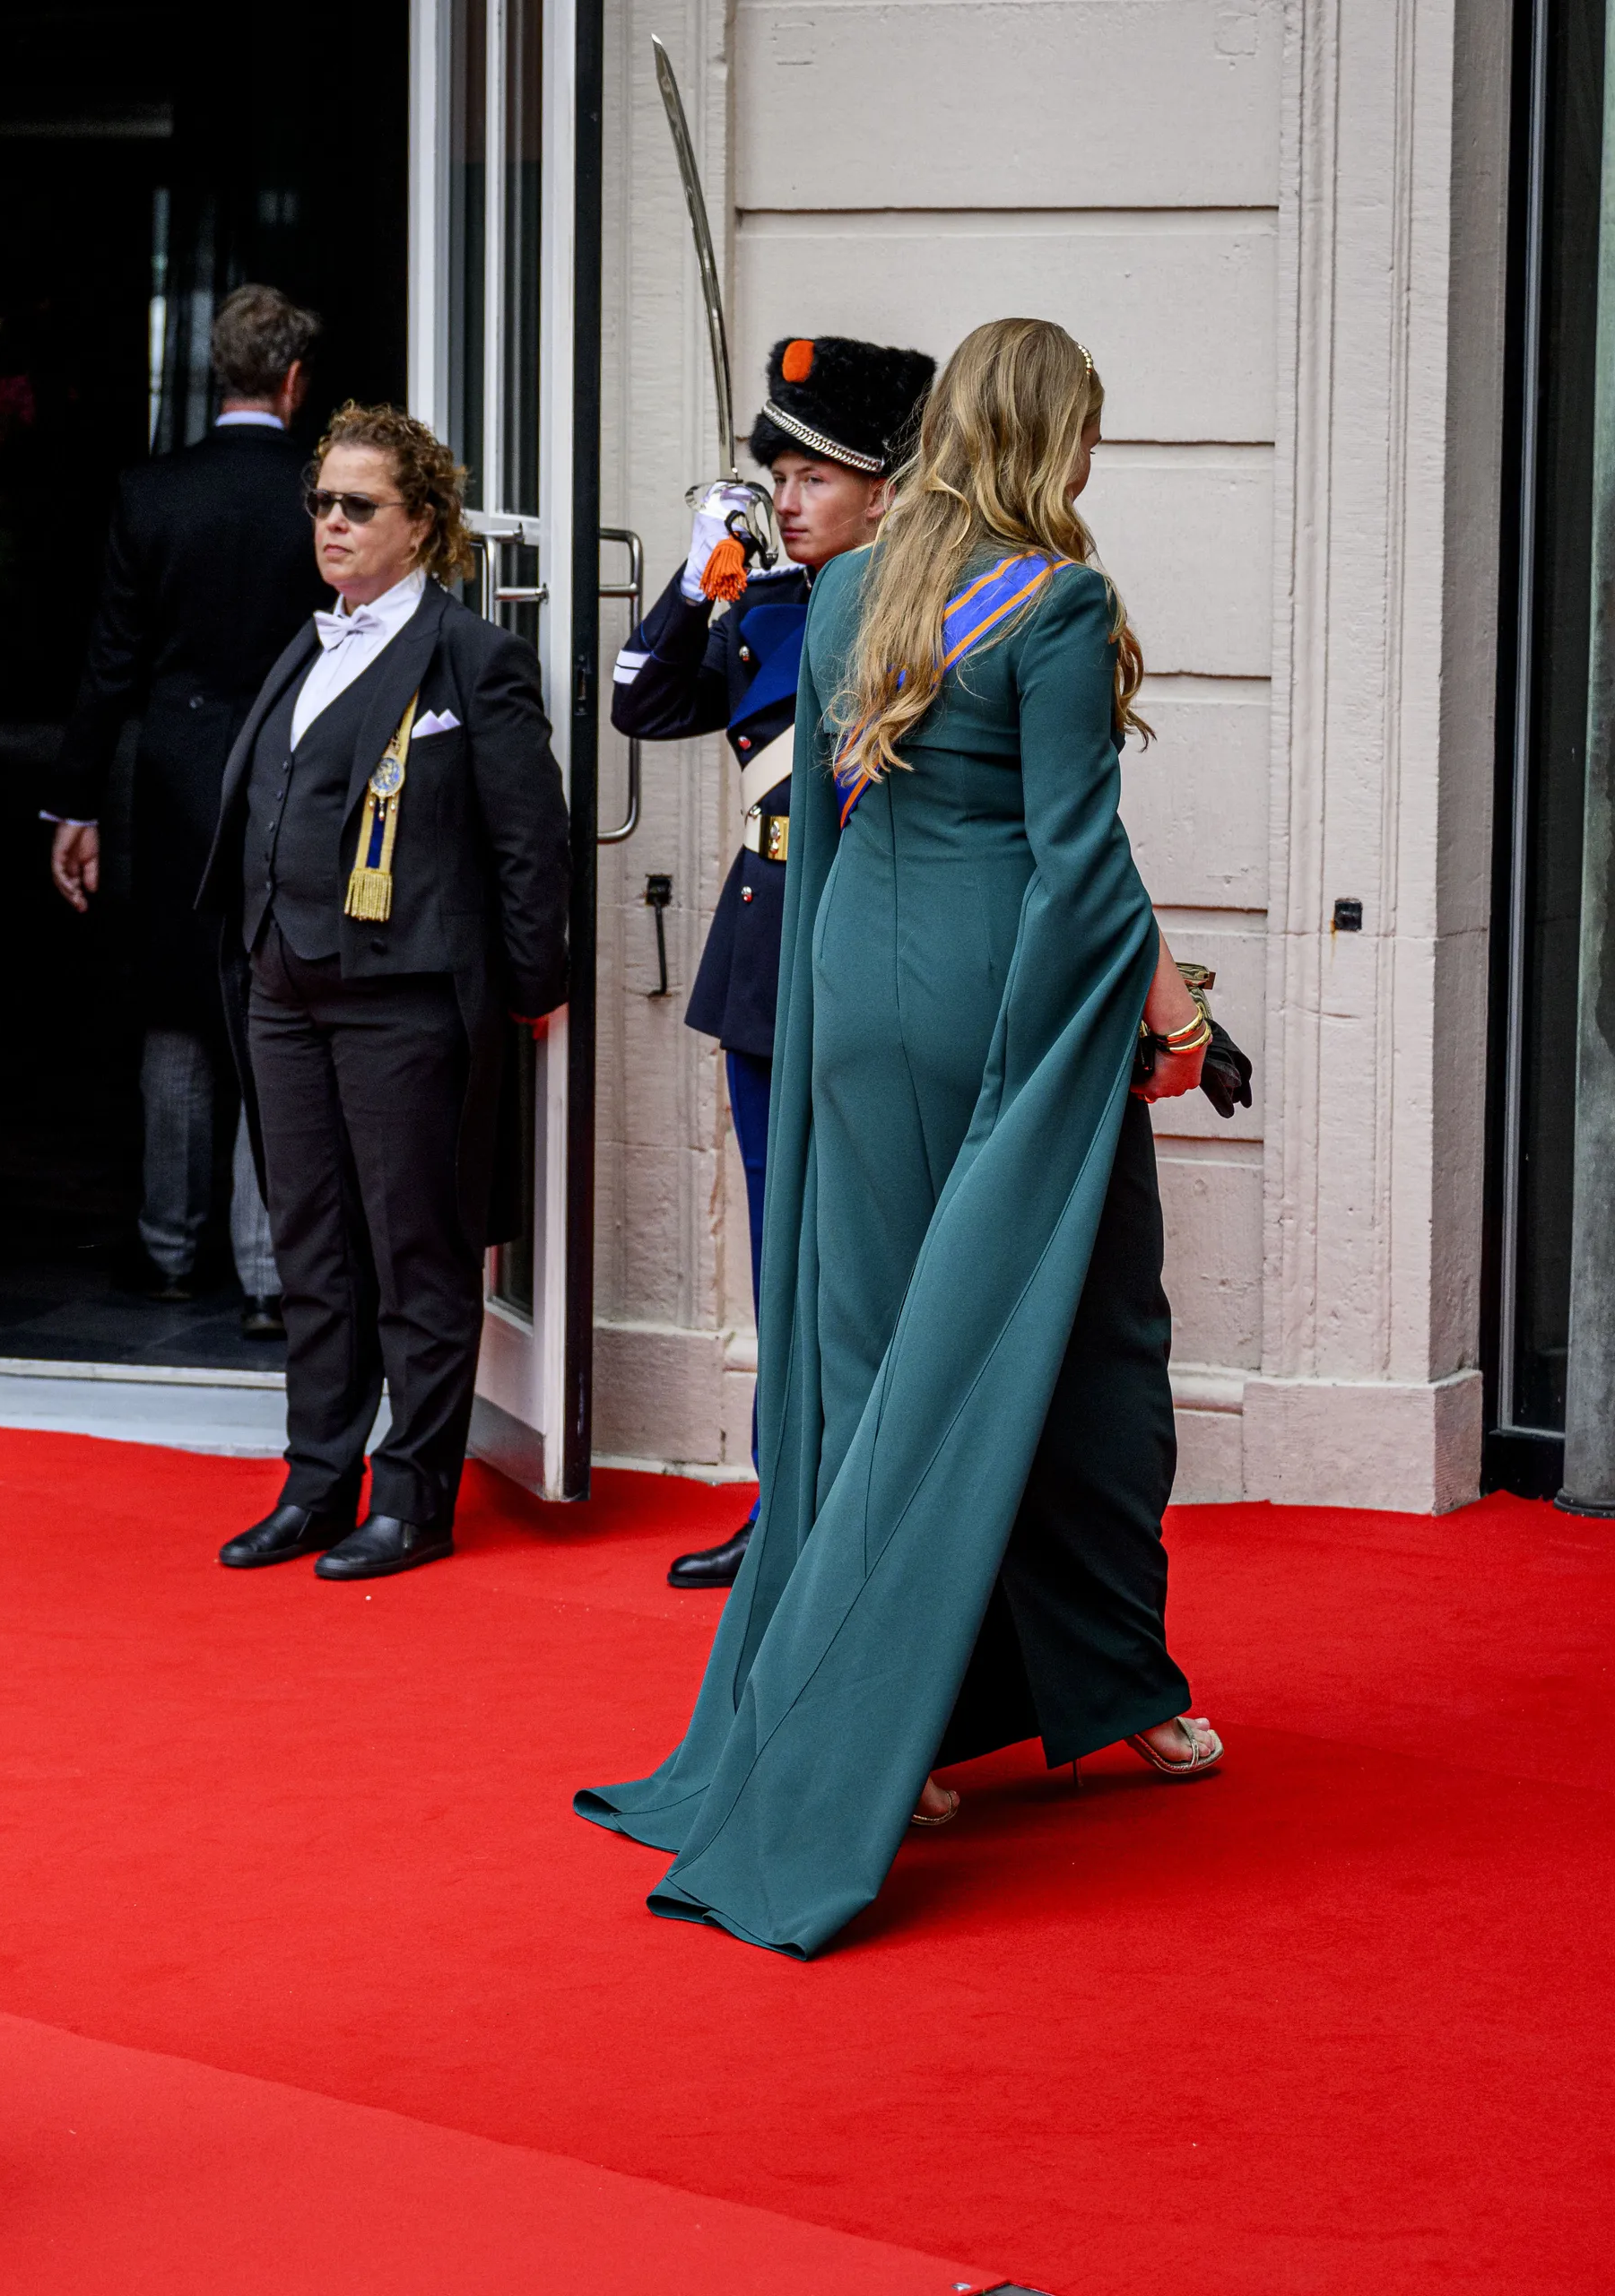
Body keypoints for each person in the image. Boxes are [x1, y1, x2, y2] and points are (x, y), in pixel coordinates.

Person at [576, 319, 1226, 1958]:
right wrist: (1144, 1028)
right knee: (1089, 1353)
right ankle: (1063, 1697)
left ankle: (932, 1730)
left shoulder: (856, 587)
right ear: (1046, 438)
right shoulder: (1058, 601)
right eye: (1085, 431)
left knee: (875, 1372)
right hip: (999, 1016)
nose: (1093, 462)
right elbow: (1079, 861)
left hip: (854, 1008)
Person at [199, 404, 572, 1581]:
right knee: (312, 1247)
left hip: (404, 994)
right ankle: (318, 1482)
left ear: (424, 524)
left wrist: (530, 988)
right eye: (322, 503)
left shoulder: (474, 657)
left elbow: (529, 841)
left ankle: (414, 1498)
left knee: (416, 1249)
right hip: (280, 985)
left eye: (359, 506)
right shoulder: (310, 643)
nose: (333, 524)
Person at [613, 335, 936, 1590]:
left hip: (859, 957)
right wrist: (701, 583)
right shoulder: (772, 607)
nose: (785, 502)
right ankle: (783, 1499)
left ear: (884, 493)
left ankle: (855, 1505)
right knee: (781, 1244)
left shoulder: (909, 614)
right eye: (778, 480)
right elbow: (643, 703)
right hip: (766, 958)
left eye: (811, 480)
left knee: (862, 1249)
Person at [45, 285, 328, 1336]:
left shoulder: (149, 491)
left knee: (175, 1011)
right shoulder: (323, 497)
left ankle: (169, 1248)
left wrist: (75, 804)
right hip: (292, 776)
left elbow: (109, 662)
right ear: (295, 381)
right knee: (272, 1007)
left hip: (170, 781)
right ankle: (270, 1270)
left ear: (221, 373)